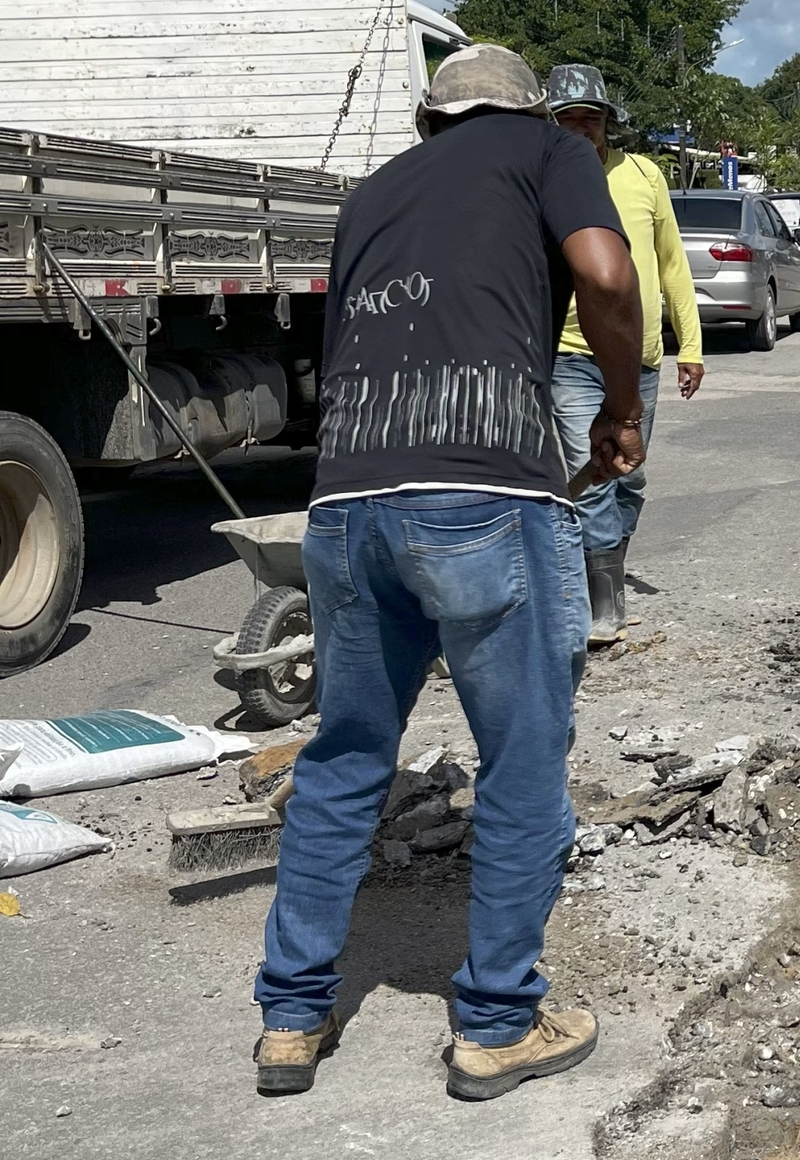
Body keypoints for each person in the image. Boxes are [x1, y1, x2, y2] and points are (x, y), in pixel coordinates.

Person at [251, 45, 648, 1099]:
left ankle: (291, 1016)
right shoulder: (547, 149)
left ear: (431, 121)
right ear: (523, 113)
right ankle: (497, 1022)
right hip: (483, 493)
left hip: (344, 503)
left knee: (344, 755)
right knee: (521, 761)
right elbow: (607, 273)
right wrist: (620, 408)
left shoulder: (374, 190)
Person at [545, 64, 704, 645]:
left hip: (641, 357)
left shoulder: (644, 175)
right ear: (550, 125)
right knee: (591, 474)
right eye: (569, 121)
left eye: (591, 119)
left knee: (627, 477)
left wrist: (692, 345)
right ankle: (602, 606)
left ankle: (604, 569)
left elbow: (671, 264)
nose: (582, 130)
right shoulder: (540, 178)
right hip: (569, 353)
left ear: (609, 124)